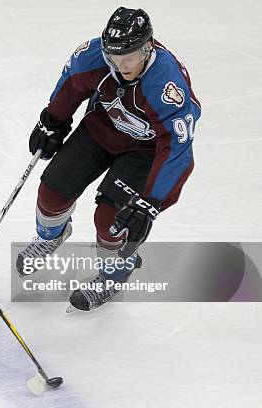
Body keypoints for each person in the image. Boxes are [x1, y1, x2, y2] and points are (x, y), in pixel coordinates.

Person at [16, 7, 200, 311]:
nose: (121, 64)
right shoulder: (93, 56)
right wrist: (52, 121)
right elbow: (71, 84)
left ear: (148, 47)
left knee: (111, 221)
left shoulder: (166, 86)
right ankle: (53, 236)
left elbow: (178, 149)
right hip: (99, 130)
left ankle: (115, 273)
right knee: (51, 193)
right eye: (114, 56)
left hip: (146, 152)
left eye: (129, 56)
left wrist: (151, 202)